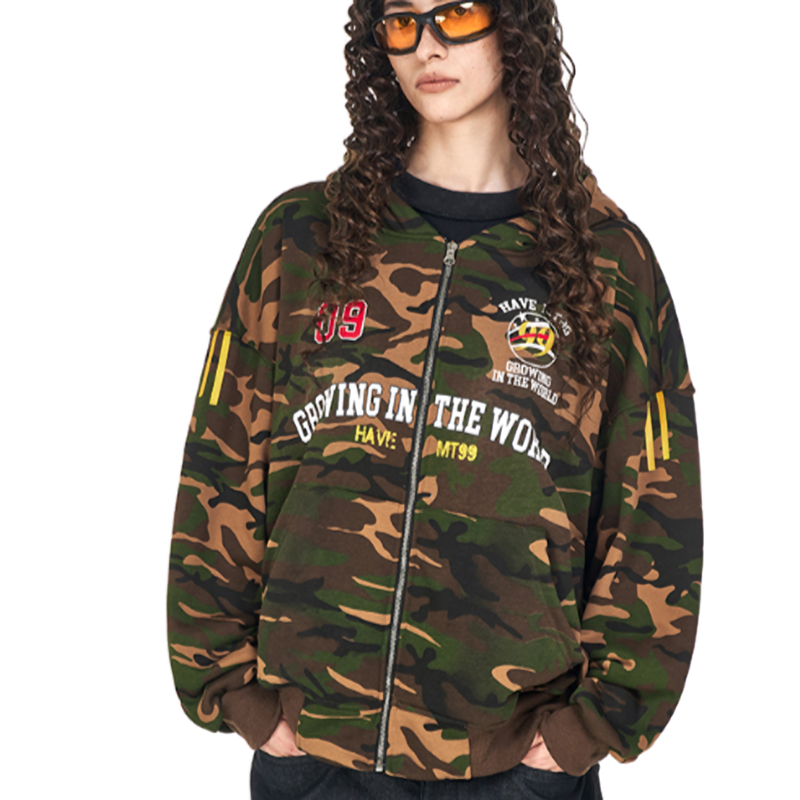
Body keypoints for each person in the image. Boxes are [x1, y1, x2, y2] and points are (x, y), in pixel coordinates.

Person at [167, 2, 703, 798]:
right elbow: (221, 462)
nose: (427, 45)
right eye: (402, 21)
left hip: (517, 763)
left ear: (513, 25)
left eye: (456, 13)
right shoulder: (301, 238)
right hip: (316, 753)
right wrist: (238, 695)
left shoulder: (605, 266)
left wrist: (582, 734)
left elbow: (655, 512)